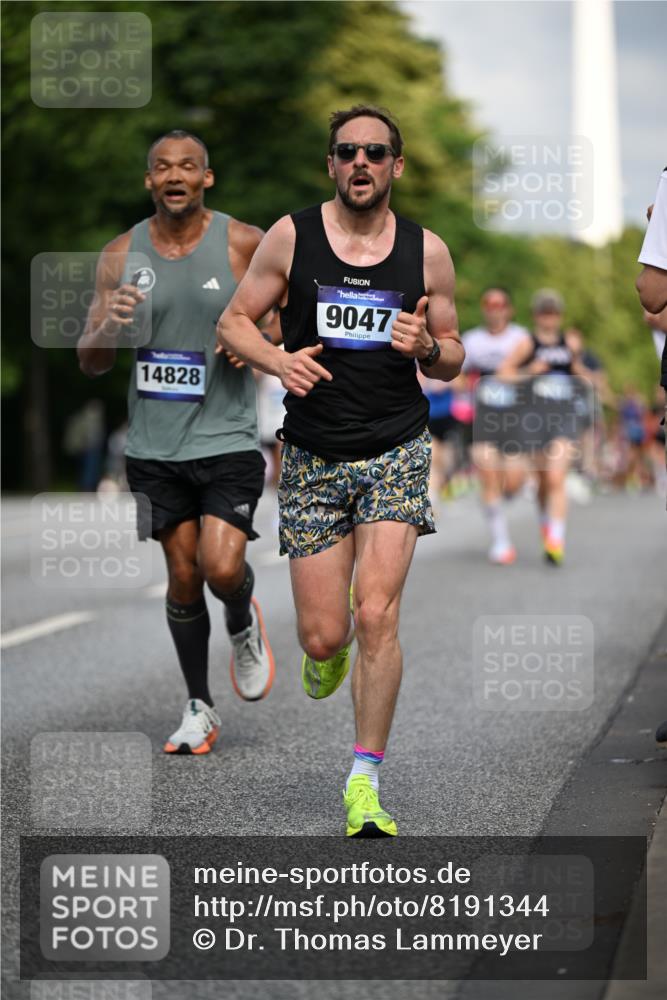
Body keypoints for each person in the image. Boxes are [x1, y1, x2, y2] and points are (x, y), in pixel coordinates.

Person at [217, 105, 463, 836]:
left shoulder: (428, 251)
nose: (361, 162)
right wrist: (276, 359)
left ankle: (364, 782)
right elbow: (233, 321)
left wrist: (425, 348)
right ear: (330, 163)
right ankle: (326, 655)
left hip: (395, 445)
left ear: (396, 165)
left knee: (376, 612)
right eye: (347, 151)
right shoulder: (290, 236)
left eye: (376, 152)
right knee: (326, 636)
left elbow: (451, 356)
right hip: (314, 455)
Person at [78, 130, 276, 755]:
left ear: (205, 179)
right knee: (183, 578)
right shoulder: (119, 253)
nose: (175, 174)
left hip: (227, 439)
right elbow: (90, 360)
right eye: (162, 166)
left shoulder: (244, 242)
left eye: (187, 165)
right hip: (154, 449)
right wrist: (107, 329)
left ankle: (242, 620)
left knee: (221, 569)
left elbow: (282, 317)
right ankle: (199, 706)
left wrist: (254, 340)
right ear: (149, 182)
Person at [497, 289, 586, 566]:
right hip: (534, 418)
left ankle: (555, 541)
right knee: (543, 480)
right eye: (545, 313)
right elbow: (503, 374)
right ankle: (546, 522)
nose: (550, 319)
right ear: (536, 315)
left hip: (563, 416)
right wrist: (529, 372)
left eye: (554, 313)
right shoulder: (527, 343)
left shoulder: (567, 344)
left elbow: (579, 373)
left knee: (557, 477)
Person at [461, 288, 530, 564]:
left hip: (515, 417)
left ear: (509, 309)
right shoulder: (472, 340)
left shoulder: (521, 338)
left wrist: (512, 377)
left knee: (514, 481)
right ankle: (501, 542)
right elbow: (457, 376)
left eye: (500, 304)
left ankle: (504, 499)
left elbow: (537, 371)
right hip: (483, 418)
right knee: (488, 475)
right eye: (488, 304)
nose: (494, 309)